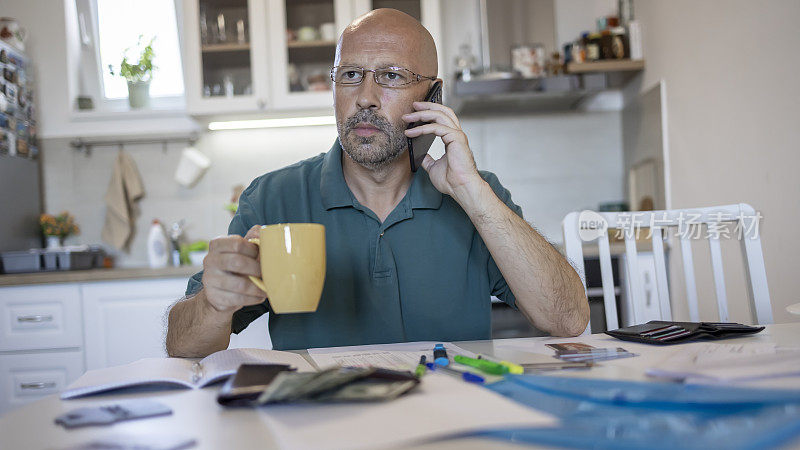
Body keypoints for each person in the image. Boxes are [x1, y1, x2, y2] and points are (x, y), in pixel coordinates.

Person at [166, 9, 589, 356]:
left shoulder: (476, 193)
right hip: (321, 425)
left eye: (391, 76)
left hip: (453, 422)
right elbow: (183, 347)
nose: (365, 96)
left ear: (433, 96)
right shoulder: (273, 197)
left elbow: (568, 320)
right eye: (350, 75)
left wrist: (473, 194)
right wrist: (213, 303)